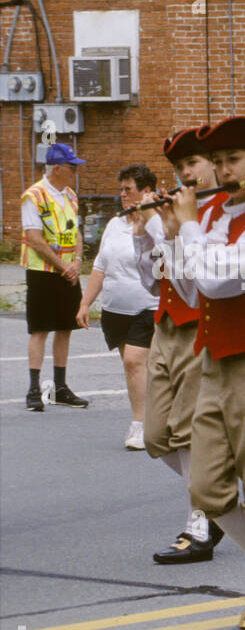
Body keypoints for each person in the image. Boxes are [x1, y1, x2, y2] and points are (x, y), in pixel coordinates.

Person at [136, 115, 245, 630]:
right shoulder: (208, 216)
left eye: (235, 160)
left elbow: (220, 281)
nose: (225, 171)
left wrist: (186, 229)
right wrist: (169, 236)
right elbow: (189, 291)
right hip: (214, 359)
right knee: (205, 487)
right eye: (220, 161)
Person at [139, 128, 229, 565]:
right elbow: (151, 280)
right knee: (156, 436)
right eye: (178, 167)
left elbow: (204, 281)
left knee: (187, 431)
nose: (185, 173)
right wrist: (146, 233)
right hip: (166, 324)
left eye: (192, 163)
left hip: (200, 326)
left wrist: (178, 231)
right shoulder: (175, 210)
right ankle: (217, 489)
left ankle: (200, 523)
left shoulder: (225, 212)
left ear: (213, 164)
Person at [76, 163, 160, 449]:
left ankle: (140, 425)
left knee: (134, 362)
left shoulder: (157, 222)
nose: (122, 194)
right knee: (135, 368)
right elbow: (100, 266)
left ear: (146, 191)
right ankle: (153, 417)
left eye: (128, 189)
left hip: (147, 306)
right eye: (121, 189)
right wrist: (85, 302)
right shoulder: (114, 224)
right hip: (115, 310)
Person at [21, 142, 89, 411]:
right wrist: (64, 266)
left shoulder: (70, 195)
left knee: (65, 328)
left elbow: (76, 232)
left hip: (67, 272)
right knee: (40, 330)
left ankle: (60, 387)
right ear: (57, 168)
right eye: (72, 168)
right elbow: (35, 239)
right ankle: (33, 389)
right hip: (43, 272)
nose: (76, 172)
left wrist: (77, 262)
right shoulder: (33, 196)